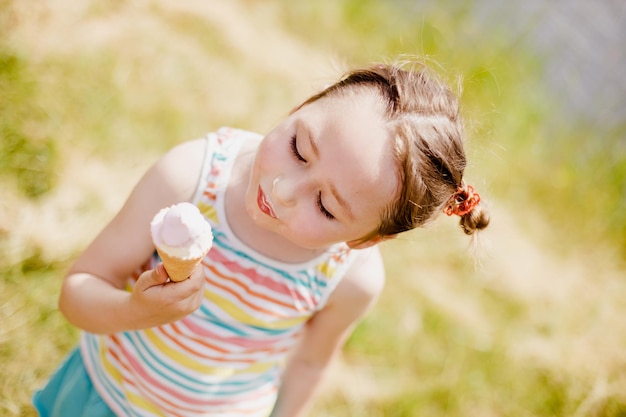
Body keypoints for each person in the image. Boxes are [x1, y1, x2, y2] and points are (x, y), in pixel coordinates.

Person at [33, 61, 489, 417]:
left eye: (326, 207)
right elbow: (78, 291)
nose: (283, 190)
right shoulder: (190, 179)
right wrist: (135, 311)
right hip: (107, 398)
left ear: (365, 240)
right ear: (301, 106)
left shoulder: (351, 278)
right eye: (297, 149)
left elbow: (310, 364)